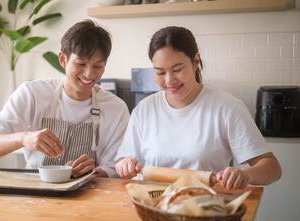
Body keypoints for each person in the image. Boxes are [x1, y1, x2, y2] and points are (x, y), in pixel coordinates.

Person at [115, 26, 282, 190]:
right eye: (160, 72)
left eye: (177, 70)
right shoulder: (144, 109)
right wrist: (125, 164)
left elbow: (272, 168)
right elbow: (123, 161)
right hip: (153, 207)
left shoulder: (227, 107)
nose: (169, 80)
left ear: (195, 61)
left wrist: (247, 174)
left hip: (204, 210)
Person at [0, 19, 130, 178]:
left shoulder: (116, 108)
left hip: (87, 195)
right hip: (35, 194)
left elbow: (114, 167)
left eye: (98, 66)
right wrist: (24, 138)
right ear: (63, 59)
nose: (89, 74)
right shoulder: (32, 94)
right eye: (80, 64)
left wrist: (96, 171)